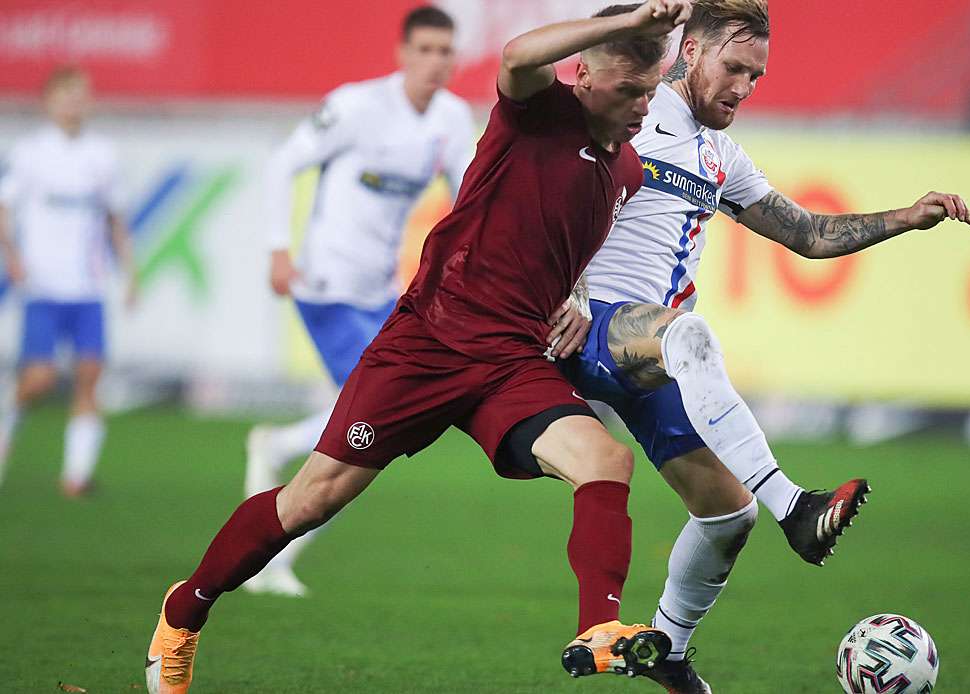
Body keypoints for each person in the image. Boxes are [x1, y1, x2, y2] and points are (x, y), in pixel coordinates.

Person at [144, 3, 694, 692]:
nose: (642, 105)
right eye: (627, 89)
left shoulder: (628, 173)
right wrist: (627, 19)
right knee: (311, 501)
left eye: (649, 91)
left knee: (605, 460)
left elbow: (563, 239)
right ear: (583, 74)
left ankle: (599, 629)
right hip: (429, 341)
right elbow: (519, 55)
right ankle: (184, 610)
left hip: (511, 361)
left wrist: (579, 294)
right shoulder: (540, 111)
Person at [564, 1, 970, 690]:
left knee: (728, 512)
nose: (744, 87)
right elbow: (557, 195)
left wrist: (908, 217)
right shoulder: (633, 116)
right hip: (589, 328)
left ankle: (666, 646)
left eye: (756, 76)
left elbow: (809, 236)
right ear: (690, 52)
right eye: (734, 67)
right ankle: (797, 507)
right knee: (690, 333)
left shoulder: (719, 156)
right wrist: (569, 289)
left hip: (648, 352)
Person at [243, 5, 476, 599]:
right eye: (423, 50)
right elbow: (281, 164)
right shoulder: (355, 106)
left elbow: (470, 201)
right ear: (401, 53)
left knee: (373, 426)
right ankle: (273, 559)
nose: (434, 62)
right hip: (325, 285)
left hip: (379, 294)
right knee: (373, 421)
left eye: (444, 51)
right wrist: (277, 248)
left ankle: (278, 447)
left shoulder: (451, 119)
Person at [0, 66, 136, 497]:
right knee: (39, 378)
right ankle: (8, 414)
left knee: (90, 373)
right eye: (66, 95)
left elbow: (115, 218)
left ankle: (76, 476)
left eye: (81, 95)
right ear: (49, 101)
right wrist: (14, 259)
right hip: (43, 284)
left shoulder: (102, 154)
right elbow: (5, 208)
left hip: (88, 286)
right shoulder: (31, 152)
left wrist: (131, 273)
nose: (75, 102)